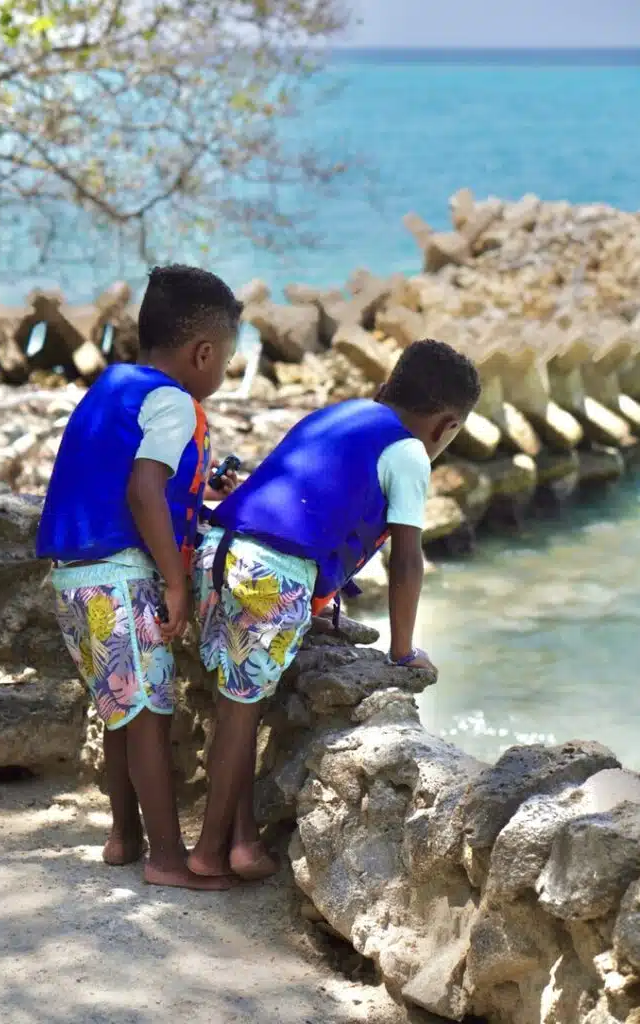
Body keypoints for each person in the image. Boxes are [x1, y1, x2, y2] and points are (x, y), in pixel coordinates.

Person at [189, 338, 481, 882]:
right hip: (269, 573)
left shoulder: (335, 415)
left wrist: (311, 607)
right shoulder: (411, 451)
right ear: (447, 428)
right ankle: (209, 852)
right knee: (241, 712)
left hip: (217, 551)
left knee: (235, 701)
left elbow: (303, 503)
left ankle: (243, 842)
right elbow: (406, 561)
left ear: (381, 390)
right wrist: (401, 651)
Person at [36, 264, 241, 890]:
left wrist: (203, 493)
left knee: (120, 710)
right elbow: (144, 488)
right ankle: (167, 858)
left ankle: (124, 836)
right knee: (150, 713)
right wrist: (178, 583)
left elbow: (121, 474)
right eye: (227, 360)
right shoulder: (174, 399)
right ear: (202, 352)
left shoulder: (111, 386)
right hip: (120, 575)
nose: (224, 373)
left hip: (73, 574)